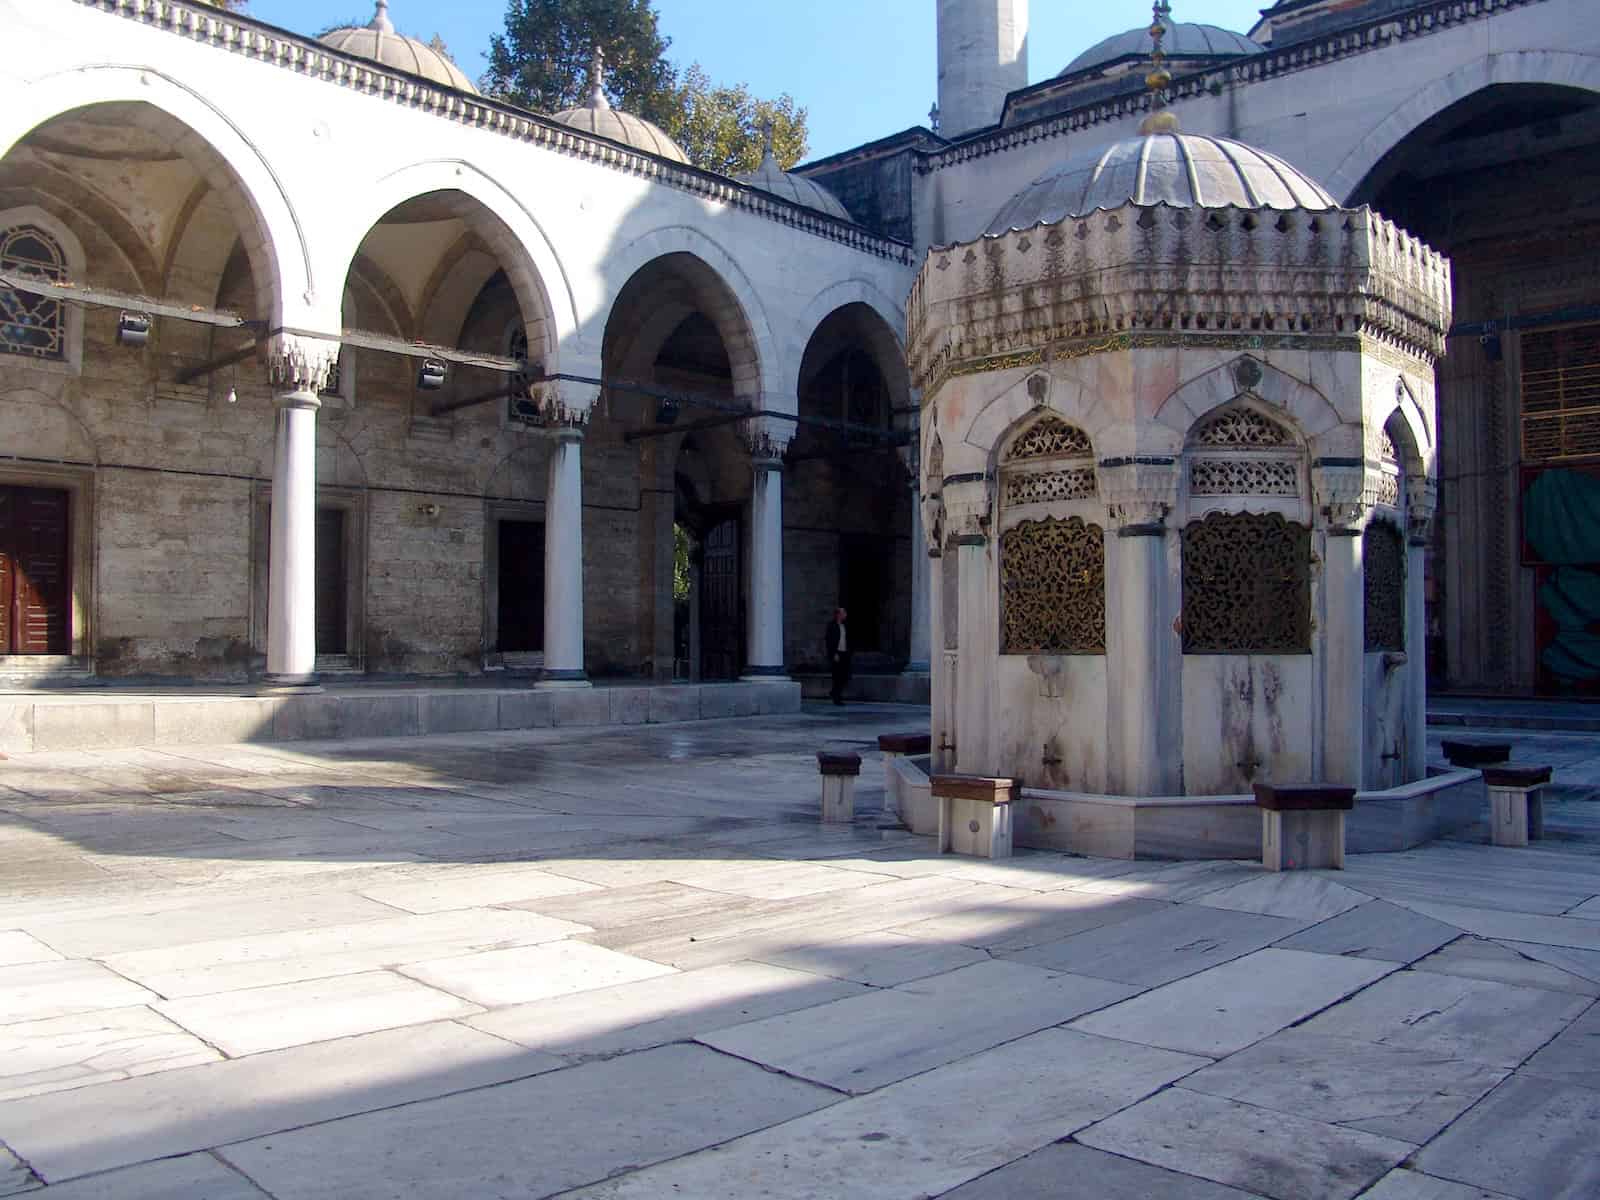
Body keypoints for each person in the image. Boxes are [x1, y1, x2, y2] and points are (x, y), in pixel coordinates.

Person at [825, 606, 851, 706]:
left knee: (845, 675)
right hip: (837, 653)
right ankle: (837, 698)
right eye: (843, 613)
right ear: (838, 615)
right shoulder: (832, 626)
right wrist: (833, 653)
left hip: (844, 653)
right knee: (837, 676)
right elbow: (829, 641)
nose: (845, 615)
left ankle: (834, 692)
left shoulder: (844, 626)